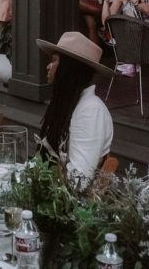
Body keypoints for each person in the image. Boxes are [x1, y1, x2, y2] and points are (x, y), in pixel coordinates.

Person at [36, 31, 114, 187]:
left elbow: (79, 180)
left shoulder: (91, 110)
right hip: (55, 192)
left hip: (74, 206)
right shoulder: (70, 104)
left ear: (68, 69)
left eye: (54, 60)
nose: (48, 66)